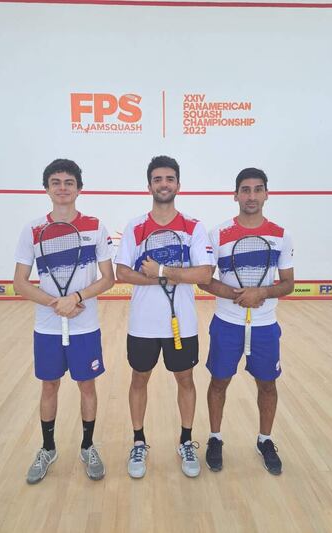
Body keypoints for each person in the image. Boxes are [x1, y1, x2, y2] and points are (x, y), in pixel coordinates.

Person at [13, 159, 114, 484]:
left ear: (79, 188)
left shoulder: (95, 227)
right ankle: (48, 448)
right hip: (47, 327)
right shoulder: (32, 230)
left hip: (85, 325)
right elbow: (19, 283)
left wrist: (77, 297)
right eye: (55, 182)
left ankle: (87, 446)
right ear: (46, 188)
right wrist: (57, 303)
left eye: (69, 182)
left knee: (87, 385)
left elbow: (108, 278)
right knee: (49, 386)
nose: (62, 188)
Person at [115, 155, 214, 479]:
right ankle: (138, 441)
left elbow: (204, 273)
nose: (164, 184)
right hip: (143, 324)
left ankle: (186, 441)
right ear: (149, 186)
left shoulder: (193, 227)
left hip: (182, 324)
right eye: (158, 179)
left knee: (185, 380)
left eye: (169, 178)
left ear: (178, 185)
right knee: (139, 379)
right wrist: (168, 278)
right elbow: (122, 272)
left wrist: (161, 271)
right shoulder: (135, 227)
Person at [199, 167, 294, 475]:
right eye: (245, 190)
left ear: (266, 194)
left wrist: (262, 292)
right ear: (235, 195)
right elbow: (203, 279)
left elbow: (288, 283)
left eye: (257, 189)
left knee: (267, 385)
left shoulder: (281, 235)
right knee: (219, 382)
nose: (251, 195)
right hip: (227, 324)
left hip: (265, 326)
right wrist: (238, 295)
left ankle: (265, 440)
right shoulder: (218, 234)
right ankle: (215, 438)